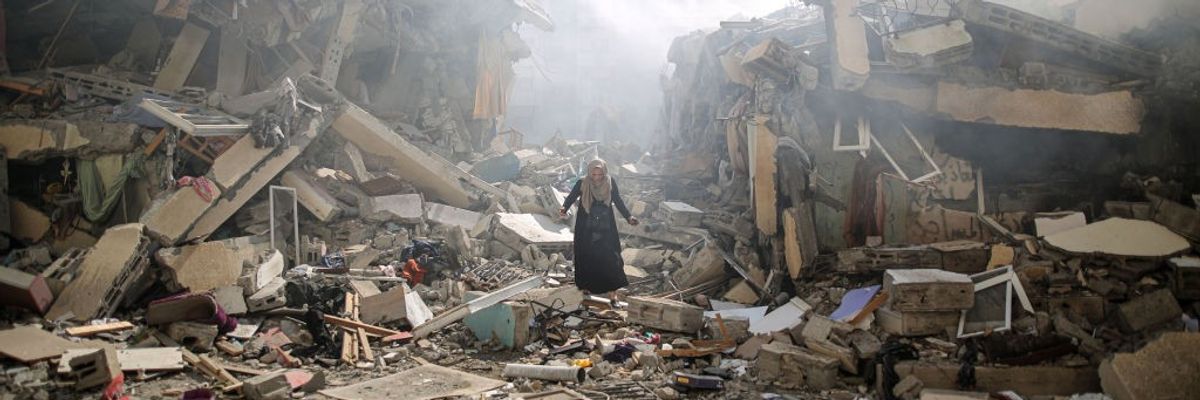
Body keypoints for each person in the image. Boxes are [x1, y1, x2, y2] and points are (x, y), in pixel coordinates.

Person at [559, 159, 638, 303]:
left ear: (604, 172)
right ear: (589, 172)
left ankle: (613, 295)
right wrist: (564, 208)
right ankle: (585, 289)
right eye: (594, 174)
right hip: (586, 226)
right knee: (586, 257)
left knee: (611, 258)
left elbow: (618, 200)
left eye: (600, 174)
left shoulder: (610, 182)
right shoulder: (582, 183)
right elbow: (571, 197)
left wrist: (628, 216)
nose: (597, 178)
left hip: (606, 226)